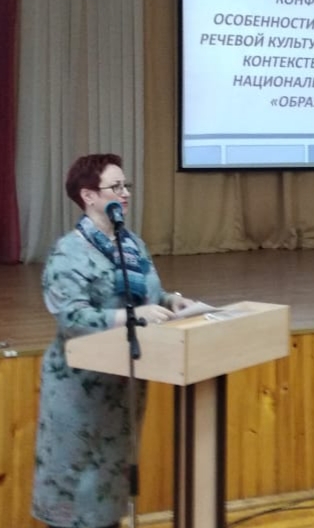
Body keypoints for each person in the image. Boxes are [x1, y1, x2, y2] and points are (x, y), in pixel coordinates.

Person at [32, 153, 193, 528]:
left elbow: (146, 294)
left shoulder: (130, 243)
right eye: (115, 186)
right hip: (80, 389)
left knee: (109, 490)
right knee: (78, 489)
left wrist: (170, 301)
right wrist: (132, 316)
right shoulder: (68, 252)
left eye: (126, 185)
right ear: (88, 196)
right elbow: (72, 318)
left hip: (123, 386)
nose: (125, 193)